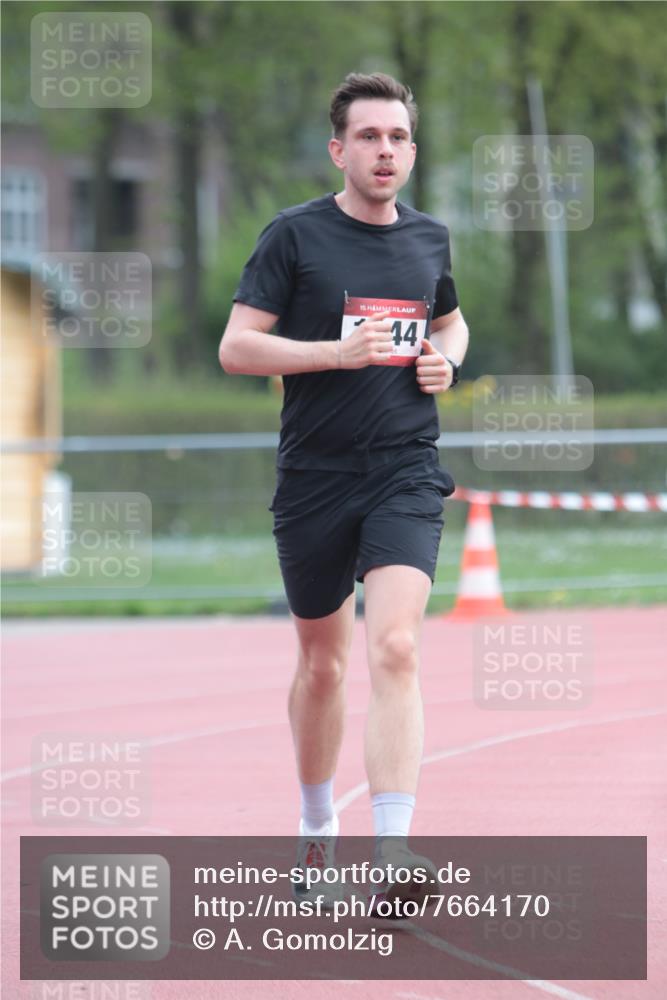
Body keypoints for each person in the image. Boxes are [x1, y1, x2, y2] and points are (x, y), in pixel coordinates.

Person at [219, 71, 469, 915]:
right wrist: (333, 353)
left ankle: (392, 849)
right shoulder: (293, 237)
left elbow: (446, 320)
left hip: (403, 470)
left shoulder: (429, 239)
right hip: (315, 480)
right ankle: (316, 826)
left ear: (411, 149)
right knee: (323, 664)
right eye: (369, 137)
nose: (385, 150)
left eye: (397, 137)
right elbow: (237, 348)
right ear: (339, 149)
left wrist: (448, 359)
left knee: (394, 646)